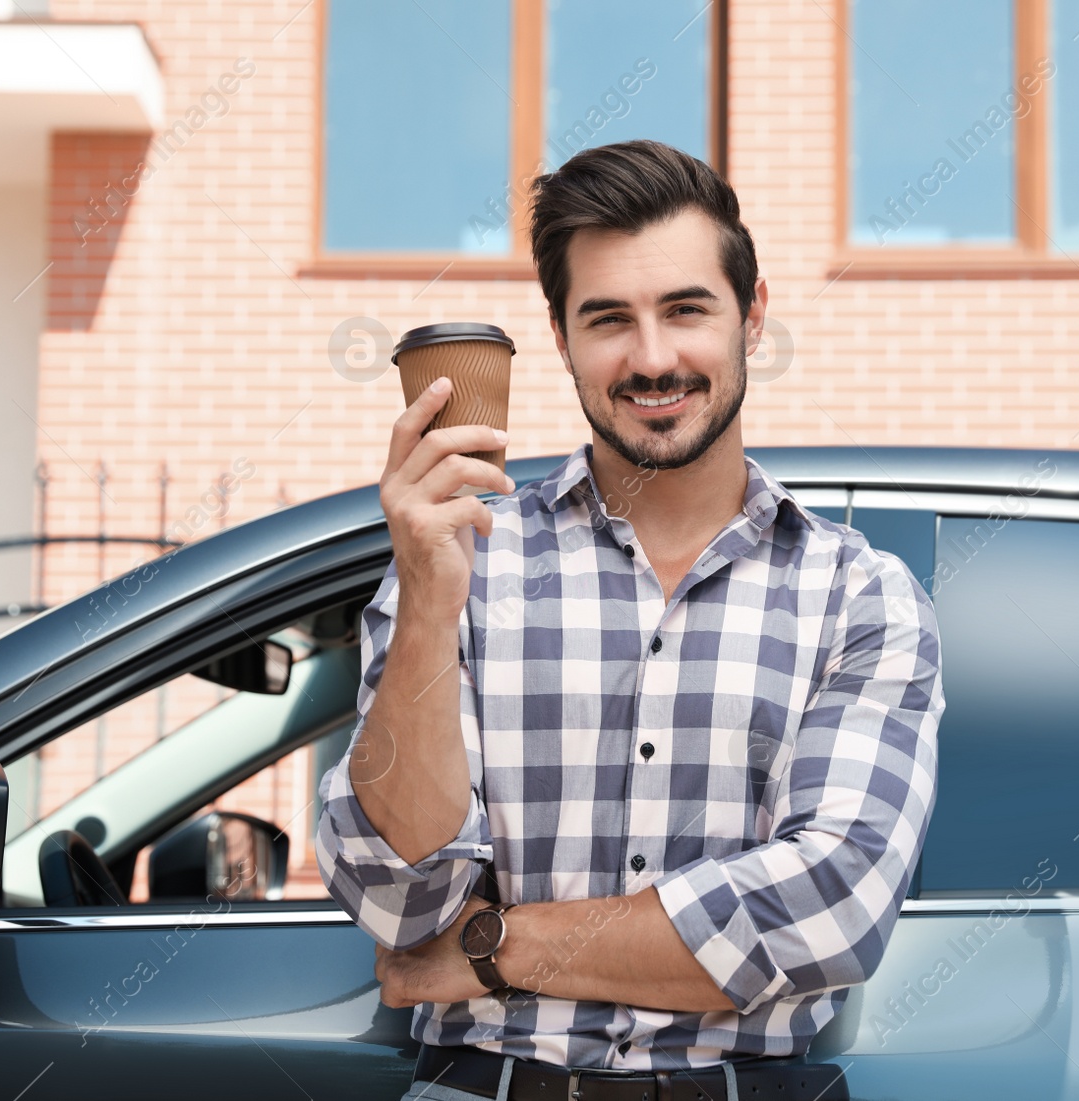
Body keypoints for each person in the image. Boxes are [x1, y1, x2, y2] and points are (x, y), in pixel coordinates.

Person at [316, 139, 944, 1101]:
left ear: (754, 315)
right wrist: (431, 595)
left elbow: (829, 907)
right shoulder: (460, 564)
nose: (653, 359)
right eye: (609, 319)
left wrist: (493, 947)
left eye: (686, 309)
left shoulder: (859, 595)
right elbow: (399, 902)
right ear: (562, 342)